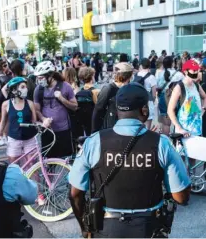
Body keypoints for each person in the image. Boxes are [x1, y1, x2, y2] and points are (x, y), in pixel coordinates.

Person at [68, 83, 191, 238]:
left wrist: (85, 229)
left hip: (105, 228)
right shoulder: (162, 143)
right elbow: (180, 196)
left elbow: (75, 194)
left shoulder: (94, 142)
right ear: (144, 110)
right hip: (148, 228)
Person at [0, 77, 44, 164]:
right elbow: (2, 122)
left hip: (30, 139)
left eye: (25, 87)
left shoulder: (30, 103)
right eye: (22, 87)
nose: (26, 89)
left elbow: (34, 121)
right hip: (13, 139)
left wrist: (42, 123)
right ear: (14, 91)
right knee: (14, 166)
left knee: (32, 166)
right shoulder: (6, 104)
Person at [34, 61, 77, 158]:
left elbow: (75, 106)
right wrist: (44, 119)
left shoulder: (65, 86)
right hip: (47, 131)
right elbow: (37, 110)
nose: (39, 81)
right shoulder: (39, 89)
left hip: (64, 131)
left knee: (66, 160)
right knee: (48, 161)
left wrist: (62, 98)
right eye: (37, 78)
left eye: (41, 77)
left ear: (51, 75)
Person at [167, 60, 206, 138]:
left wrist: (203, 109)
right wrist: (178, 128)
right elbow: (170, 110)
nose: (197, 72)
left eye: (198, 70)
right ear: (186, 71)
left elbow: (205, 97)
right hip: (184, 132)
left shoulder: (196, 85)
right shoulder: (179, 87)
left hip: (197, 130)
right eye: (194, 70)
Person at [92, 62, 134, 133]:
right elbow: (98, 110)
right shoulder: (108, 89)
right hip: (111, 128)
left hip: (126, 128)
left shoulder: (130, 88)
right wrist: (94, 132)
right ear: (129, 75)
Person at [156, 56, 185, 135]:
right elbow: (183, 87)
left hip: (163, 97)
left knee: (166, 122)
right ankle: (177, 141)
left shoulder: (160, 73)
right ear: (173, 63)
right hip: (177, 97)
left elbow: (157, 86)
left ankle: (166, 141)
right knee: (178, 119)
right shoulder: (179, 74)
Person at [74, 67, 99, 137]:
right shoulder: (96, 91)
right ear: (91, 77)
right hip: (94, 120)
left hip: (84, 121)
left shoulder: (79, 91)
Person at [133, 58, 157, 129]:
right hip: (148, 103)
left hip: (137, 103)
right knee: (147, 127)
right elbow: (154, 94)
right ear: (149, 65)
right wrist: (153, 100)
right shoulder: (152, 77)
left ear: (140, 65)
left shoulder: (135, 75)